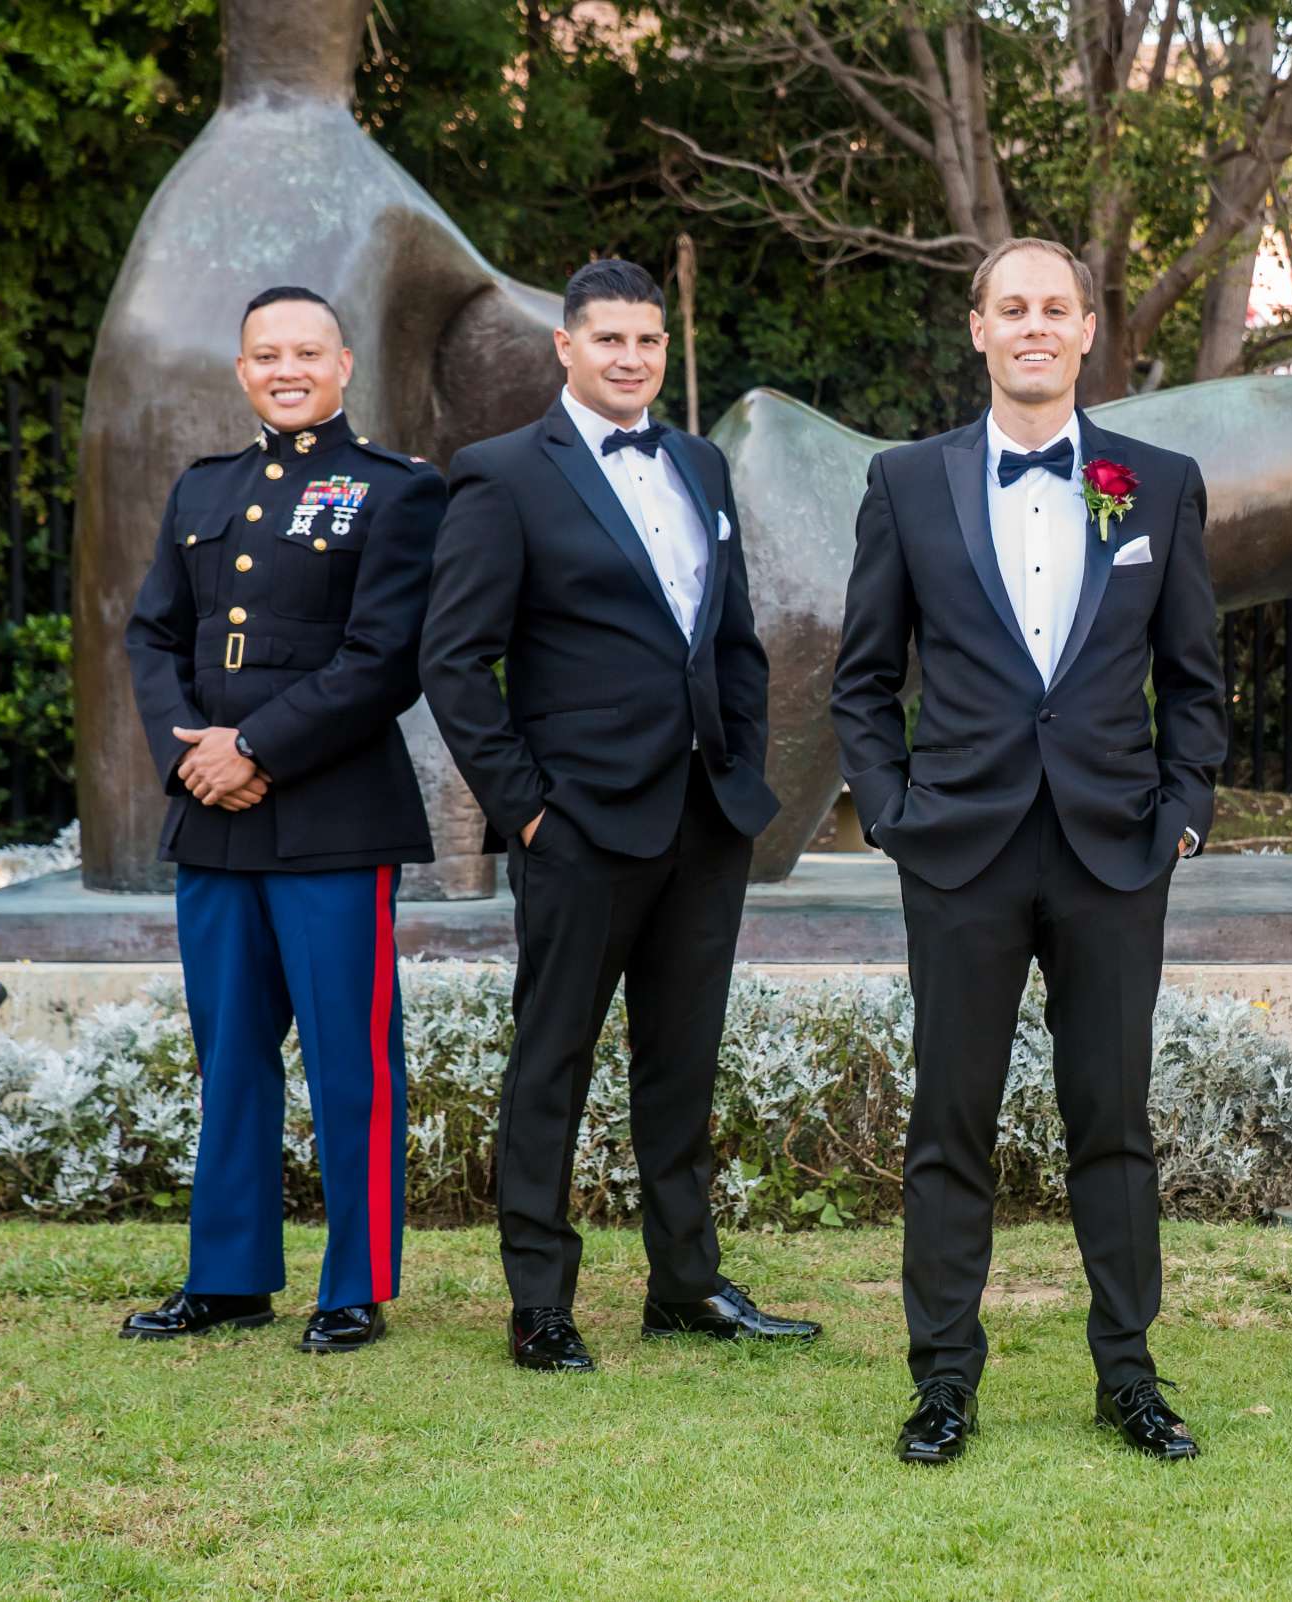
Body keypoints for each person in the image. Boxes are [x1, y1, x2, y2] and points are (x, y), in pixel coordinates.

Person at [830, 238, 1227, 1464]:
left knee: (1113, 1121)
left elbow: (1195, 679)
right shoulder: (908, 482)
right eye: (1015, 308)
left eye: (1058, 307)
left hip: (1114, 852)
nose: (1037, 326)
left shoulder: (1154, 482)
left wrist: (1184, 812)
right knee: (950, 1124)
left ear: (1091, 329)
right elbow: (860, 682)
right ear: (980, 330)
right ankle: (943, 1380)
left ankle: (1130, 1376)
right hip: (958, 853)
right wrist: (892, 811)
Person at [419, 259, 819, 1373]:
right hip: (581, 826)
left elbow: (729, 635)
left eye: (648, 341)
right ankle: (540, 1305)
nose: (633, 359)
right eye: (610, 342)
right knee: (552, 1062)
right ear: (566, 347)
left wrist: (737, 771)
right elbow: (455, 664)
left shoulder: (697, 461)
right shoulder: (502, 475)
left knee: (683, 1062)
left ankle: (685, 1286)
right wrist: (529, 814)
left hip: (704, 816)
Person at [119, 285, 446, 1353]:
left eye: (307, 351)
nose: (287, 369)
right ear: (244, 369)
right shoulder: (204, 488)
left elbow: (383, 660)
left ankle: (353, 1286)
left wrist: (252, 748)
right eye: (267, 355)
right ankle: (228, 1277)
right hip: (213, 823)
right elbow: (152, 639)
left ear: (345, 365)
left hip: (335, 825)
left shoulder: (396, 491)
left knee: (351, 1061)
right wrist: (195, 757)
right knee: (231, 1055)